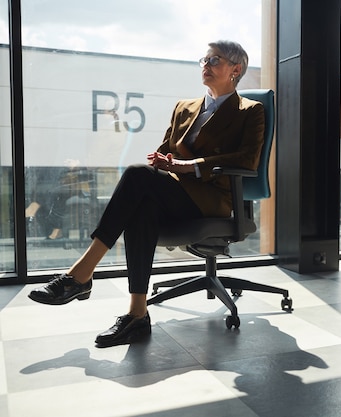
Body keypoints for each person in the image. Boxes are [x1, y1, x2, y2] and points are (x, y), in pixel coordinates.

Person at [28, 40, 265, 348]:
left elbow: (246, 161)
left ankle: (81, 275)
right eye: (203, 59)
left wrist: (187, 165)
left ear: (236, 70)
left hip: (213, 198)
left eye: (214, 60)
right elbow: (166, 150)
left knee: (138, 174)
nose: (205, 65)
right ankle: (137, 314)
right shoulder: (185, 107)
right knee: (141, 204)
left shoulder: (250, 111)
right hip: (179, 194)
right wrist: (165, 161)